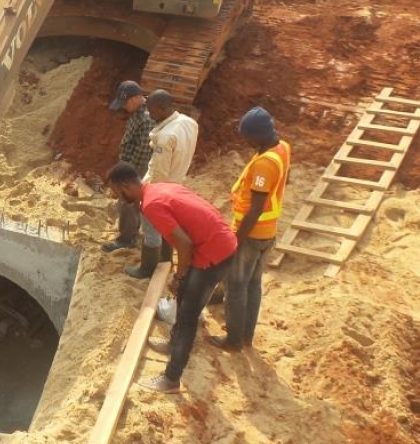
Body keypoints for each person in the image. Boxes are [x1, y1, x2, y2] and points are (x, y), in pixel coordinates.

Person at [106, 162, 237, 394]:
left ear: (125, 185)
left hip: (213, 252)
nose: (119, 198)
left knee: (187, 314)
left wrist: (179, 275)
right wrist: (182, 277)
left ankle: (171, 379)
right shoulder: (161, 188)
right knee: (184, 295)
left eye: (117, 192)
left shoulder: (151, 205)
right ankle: (173, 343)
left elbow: (184, 243)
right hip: (218, 242)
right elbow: (185, 236)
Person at [213, 107, 291, 352]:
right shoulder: (282, 148)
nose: (245, 141)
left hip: (252, 234)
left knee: (236, 286)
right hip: (268, 233)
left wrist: (235, 240)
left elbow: (255, 209)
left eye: (248, 137)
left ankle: (234, 340)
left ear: (258, 135)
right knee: (253, 284)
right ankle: (246, 335)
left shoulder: (264, 165)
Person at [124, 90, 200, 279]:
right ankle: (165, 261)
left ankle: (147, 268)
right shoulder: (189, 123)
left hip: (161, 188)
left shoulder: (165, 138)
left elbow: (159, 174)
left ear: (161, 108)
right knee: (168, 227)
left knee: (151, 231)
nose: (149, 115)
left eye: (152, 111)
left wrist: (147, 198)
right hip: (177, 184)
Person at [102, 81, 156, 255]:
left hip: (137, 166)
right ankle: (132, 229)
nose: (124, 108)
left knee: (127, 200)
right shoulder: (137, 112)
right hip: (131, 163)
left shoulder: (146, 118)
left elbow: (142, 151)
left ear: (135, 99)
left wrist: (125, 173)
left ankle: (127, 238)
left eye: (125, 103)